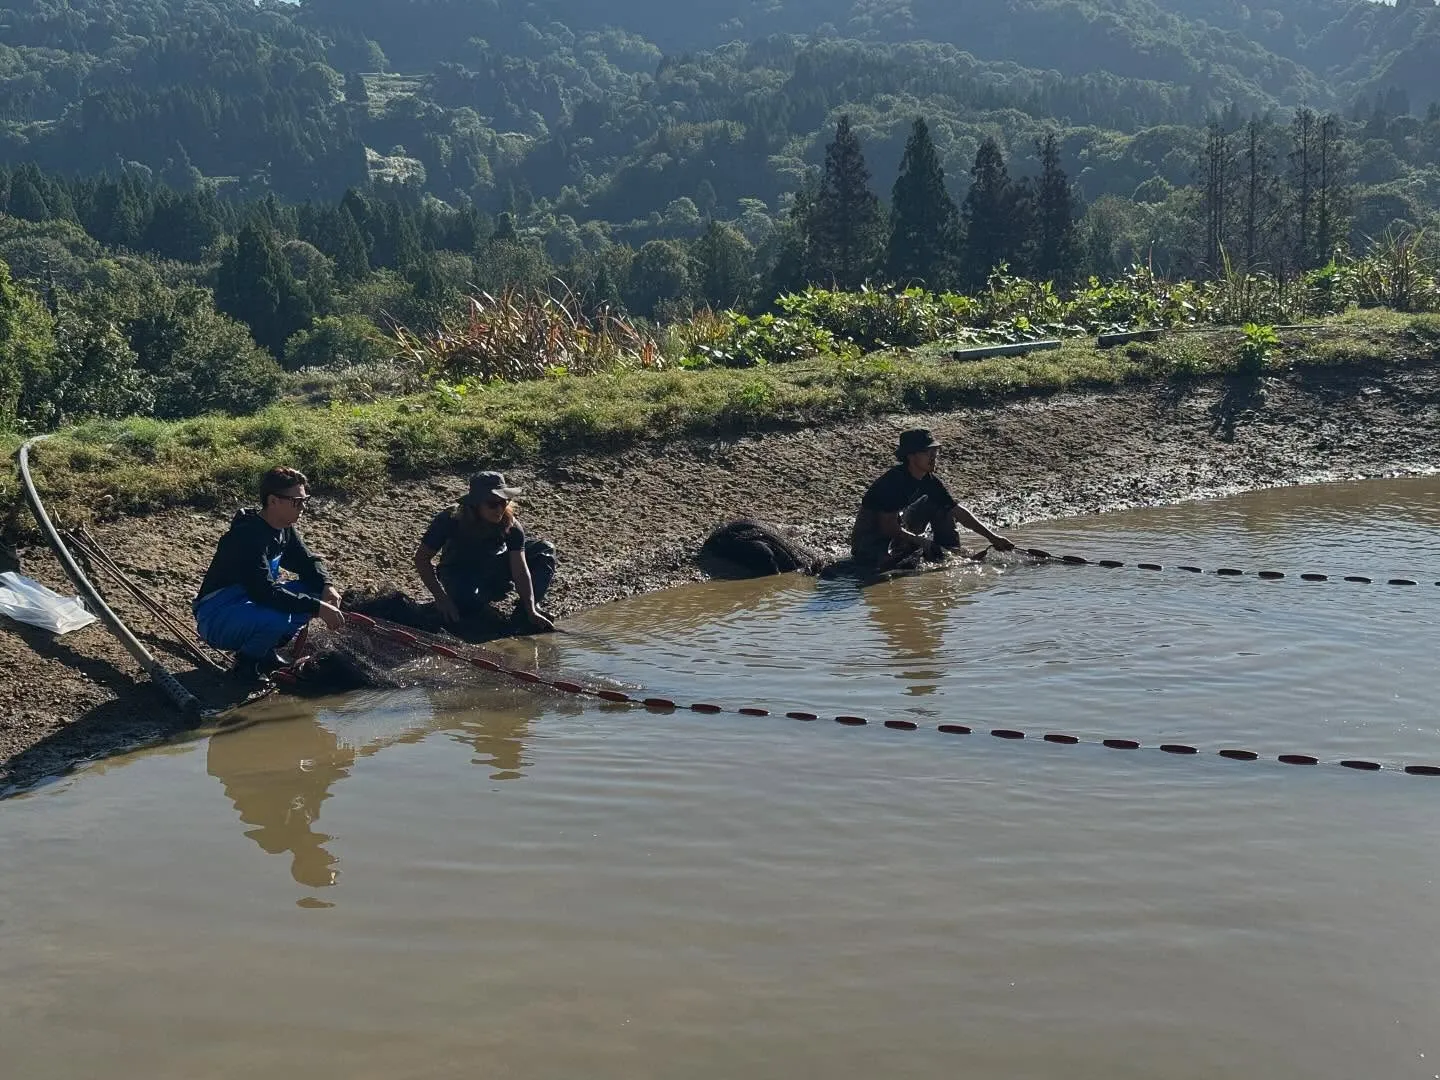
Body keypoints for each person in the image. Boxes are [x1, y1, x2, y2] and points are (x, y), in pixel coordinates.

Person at [194, 466, 345, 680]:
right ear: (273, 501)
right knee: (277, 620)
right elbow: (264, 593)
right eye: (297, 501)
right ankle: (246, 664)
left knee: (314, 589)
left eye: (305, 500)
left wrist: (327, 586)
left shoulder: (284, 529)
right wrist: (317, 607)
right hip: (217, 615)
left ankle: (265, 651)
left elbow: (308, 562)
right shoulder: (247, 537)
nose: (303, 507)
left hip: (248, 605)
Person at [850, 428, 1015, 574]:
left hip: (900, 525)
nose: (934, 456)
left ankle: (950, 550)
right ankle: (930, 552)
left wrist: (993, 538)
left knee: (943, 507)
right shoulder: (892, 483)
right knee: (886, 567)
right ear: (911, 455)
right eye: (927, 452)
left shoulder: (929, 480)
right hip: (872, 537)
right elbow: (887, 527)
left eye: (935, 452)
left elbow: (957, 511)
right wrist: (922, 541)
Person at [413, 471, 557, 632]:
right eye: (492, 504)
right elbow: (421, 559)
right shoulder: (449, 520)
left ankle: (524, 613)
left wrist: (531, 609)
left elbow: (520, 569)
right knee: (466, 602)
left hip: (495, 570)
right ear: (475, 504)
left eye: (504, 502)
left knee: (544, 549)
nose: (499, 509)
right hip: (459, 571)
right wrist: (441, 598)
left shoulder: (511, 525)